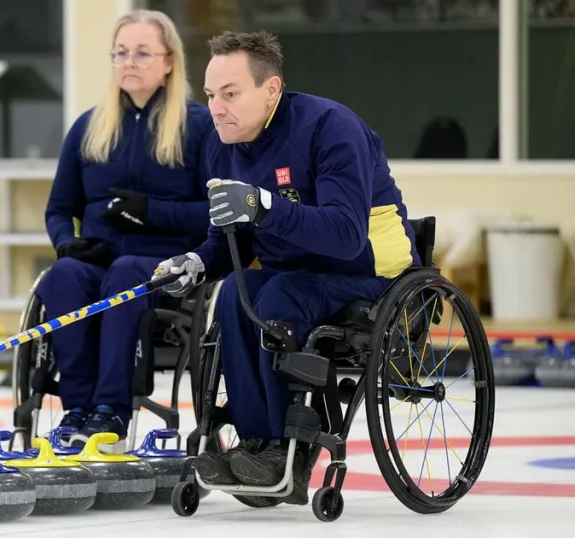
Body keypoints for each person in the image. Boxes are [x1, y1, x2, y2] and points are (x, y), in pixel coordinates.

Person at [154, 31, 419, 505]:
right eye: (211, 95)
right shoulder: (224, 145)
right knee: (236, 290)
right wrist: (194, 263)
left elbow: (344, 234)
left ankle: (288, 453)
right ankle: (258, 442)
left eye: (230, 94)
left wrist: (263, 205)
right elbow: (227, 241)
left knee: (276, 297)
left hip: (367, 272)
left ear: (271, 89)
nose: (216, 108)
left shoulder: (331, 127)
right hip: (291, 276)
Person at [36, 9, 214, 448]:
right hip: (100, 258)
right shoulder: (87, 128)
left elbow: (216, 213)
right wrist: (67, 244)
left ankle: (110, 409)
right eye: (120, 53)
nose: (128, 62)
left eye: (141, 53)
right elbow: (58, 209)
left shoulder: (198, 126)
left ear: (169, 61)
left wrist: (152, 211)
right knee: (62, 277)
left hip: (168, 267)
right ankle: (77, 408)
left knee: (127, 271)